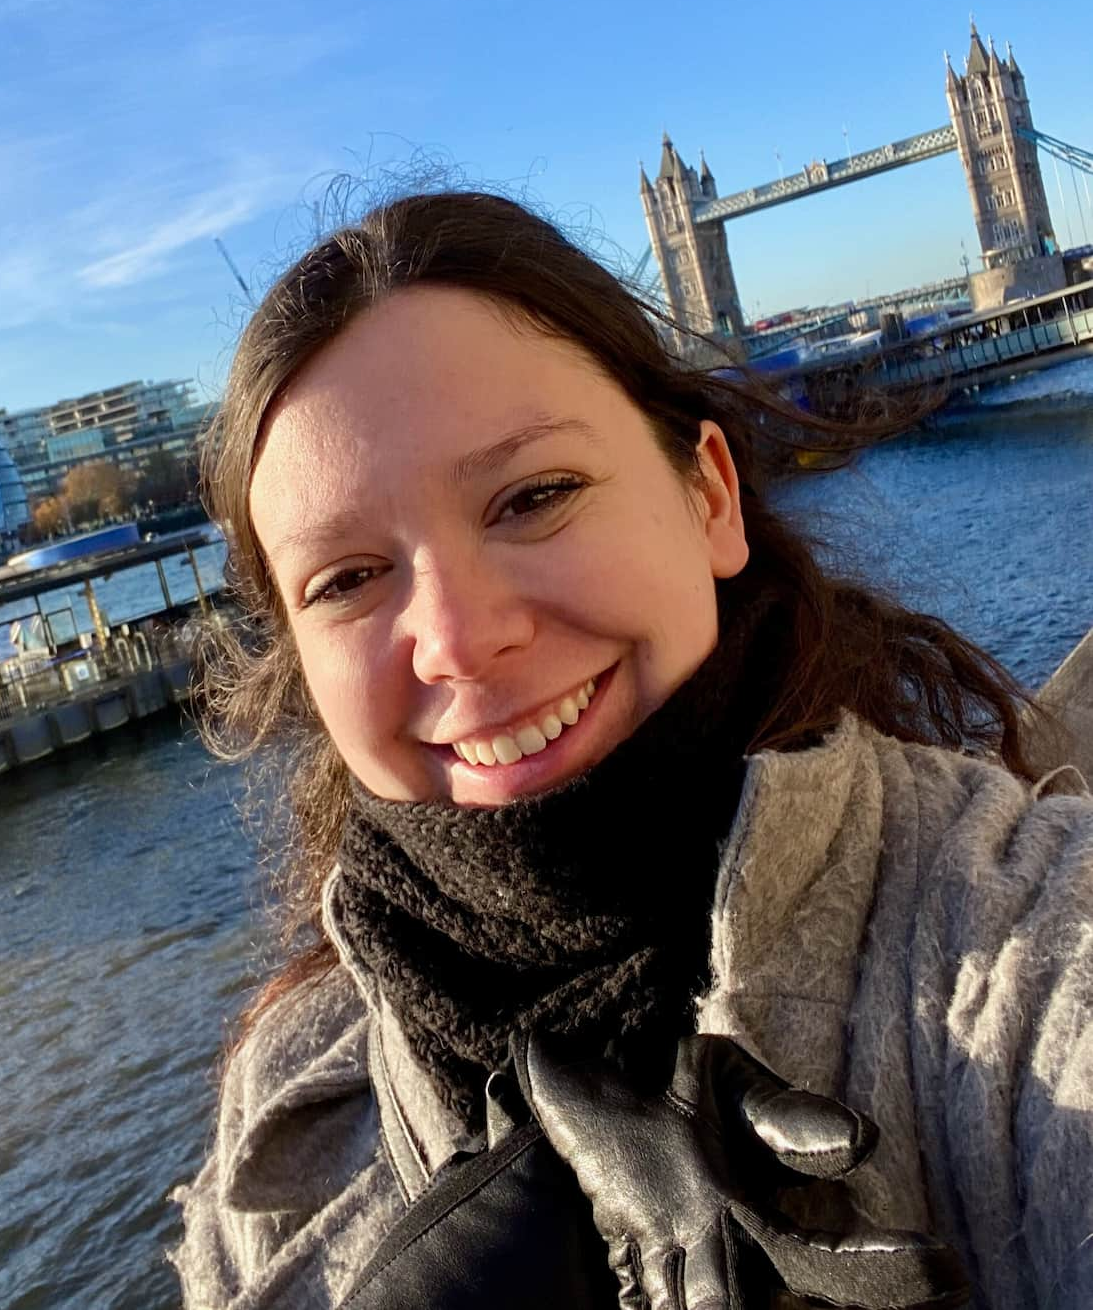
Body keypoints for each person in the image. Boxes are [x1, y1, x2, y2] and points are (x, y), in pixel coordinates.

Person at [169, 191, 1093, 1309]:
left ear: (706, 494)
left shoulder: (1035, 939)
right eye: (348, 580)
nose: (459, 641)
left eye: (534, 496)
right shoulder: (276, 1103)